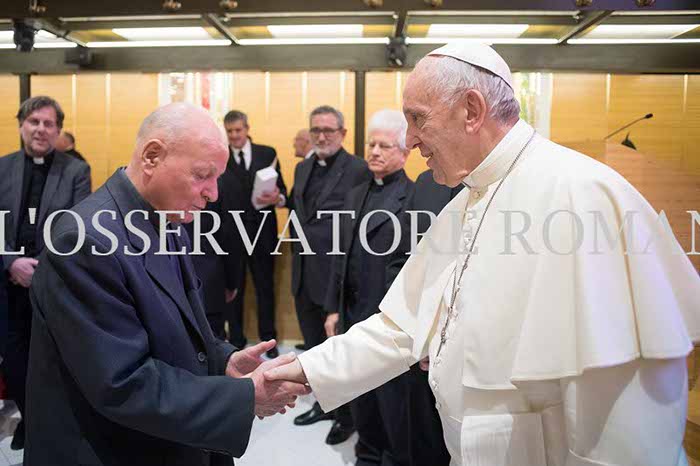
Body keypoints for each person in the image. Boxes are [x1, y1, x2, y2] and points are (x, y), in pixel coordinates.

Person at [267, 43, 700, 466]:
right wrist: (306, 369)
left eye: (417, 119)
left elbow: (624, 422)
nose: (410, 140)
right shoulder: (466, 199)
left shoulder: (582, 194)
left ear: (471, 110)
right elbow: (401, 327)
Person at [25, 103, 309, 466]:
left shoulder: (166, 217)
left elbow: (180, 327)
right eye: (202, 175)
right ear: (152, 157)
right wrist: (245, 397)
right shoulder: (84, 241)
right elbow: (122, 382)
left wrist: (223, 361)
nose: (213, 194)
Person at [0, 95, 91, 451]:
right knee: (14, 357)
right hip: (7, 282)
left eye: (48, 123)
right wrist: (11, 262)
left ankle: (48, 423)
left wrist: (39, 268)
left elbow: (75, 227)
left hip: (52, 281)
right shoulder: (2, 167)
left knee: (51, 358)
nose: (40, 129)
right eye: (34, 121)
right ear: (21, 125)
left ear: (58, 130)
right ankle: (29, 417)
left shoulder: (75, 171)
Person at [323, 110, 414, 466]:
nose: (374, 151)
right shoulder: (355, 193)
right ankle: (368, 453)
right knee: (360, 393)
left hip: (387, 317)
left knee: (391, 400)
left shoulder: (412, 198)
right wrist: (333, 308)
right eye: (371, 144)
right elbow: (339, 257)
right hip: (352, 312)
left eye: (384, 146)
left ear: (404, 152)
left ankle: (391, 457)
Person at [287, 105, 371, 445]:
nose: (321, 136)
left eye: (328, 130)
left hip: (337, 276)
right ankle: (326, 404)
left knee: (340, 351)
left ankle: (348, 417)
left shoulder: (358, 169)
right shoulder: (302, 167)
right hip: (304, 272)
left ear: (343, 133)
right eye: (316, 130)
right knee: (314, 348)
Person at [383, 168, 456, 466]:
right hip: (421, 344)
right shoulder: (427, 181)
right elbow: (401, 259)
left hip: (476, 356)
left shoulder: (509, 182)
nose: (412, 145)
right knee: (424, 441)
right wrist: (416, 327)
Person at [223, 110, 287, 358]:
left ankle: (269, 340)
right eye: (229, 131)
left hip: (263, 234)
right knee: (233, 289)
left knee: (265, 287)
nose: (234, 135)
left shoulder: (267, 153)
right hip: (231, 235)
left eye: (238, 130)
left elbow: (282, 192)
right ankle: (236, 340)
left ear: (247, 129)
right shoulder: (220, 156)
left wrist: (277, 198)